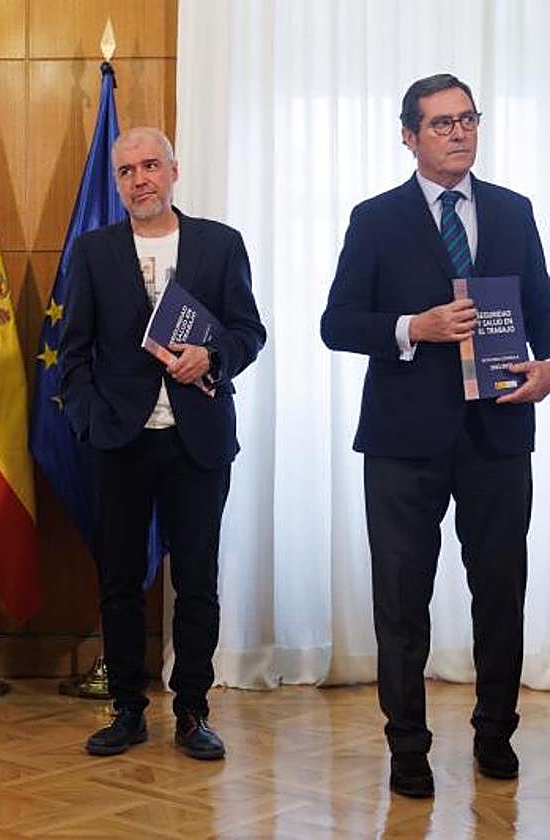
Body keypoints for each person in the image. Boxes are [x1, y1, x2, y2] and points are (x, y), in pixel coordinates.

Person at [321, 73, 550, 798]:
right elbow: (337, 323)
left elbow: (543, 315)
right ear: (409, 136)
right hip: (402, 442)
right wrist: (410, 329)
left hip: (498, 434)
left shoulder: (515, 212)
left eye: (468, 120)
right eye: (442, 123)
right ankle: (408, 748)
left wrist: (548, 369)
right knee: (401, 600)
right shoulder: (376, 218)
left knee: (500, 593)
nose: (459, 133)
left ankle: (494, 734)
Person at [59, 126, 266, 761]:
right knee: (120, 580)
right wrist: (91, 420)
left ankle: (193, 711)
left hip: (197, 439)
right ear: (116, 183)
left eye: (151, 166)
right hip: (119, 442)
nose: (140, 179)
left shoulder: (219, 243)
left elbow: (249, 332)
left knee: (197, 580)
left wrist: (212, 357)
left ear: (174, 170)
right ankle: (127, 709)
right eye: (126, 171)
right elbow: (72, 354)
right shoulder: (94, 252)